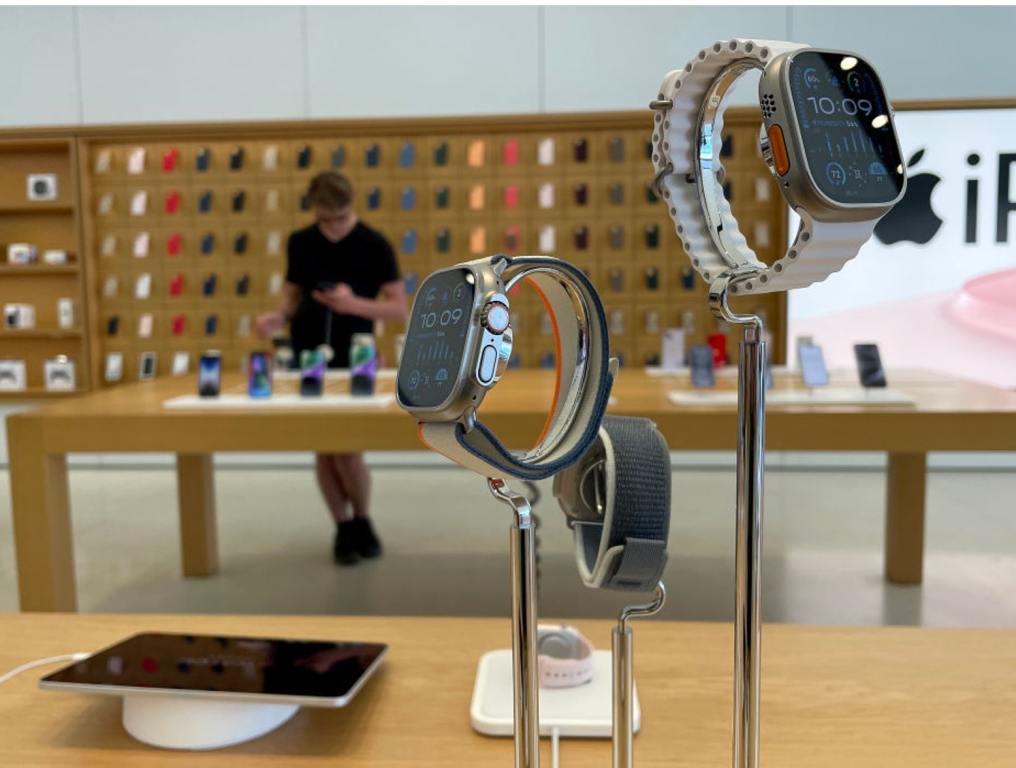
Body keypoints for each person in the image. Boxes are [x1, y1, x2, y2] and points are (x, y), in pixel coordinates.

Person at [256, 172, 408, 566]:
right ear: (314, 210)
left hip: (356, 352)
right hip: (308, 351)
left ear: (351, 206)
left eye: (340, 219)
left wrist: (352, 303)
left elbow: (398, 308)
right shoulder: (301, 241)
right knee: (325, 450)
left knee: (349, 450)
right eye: (326, 220)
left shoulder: (374, 243)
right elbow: (291, 295)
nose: (334, 227)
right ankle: (341, 527)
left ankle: (362, 518)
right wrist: (276, 318)